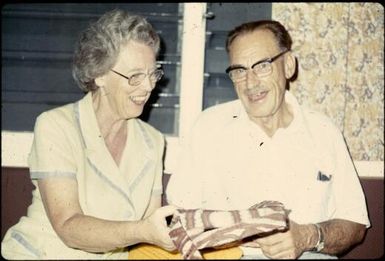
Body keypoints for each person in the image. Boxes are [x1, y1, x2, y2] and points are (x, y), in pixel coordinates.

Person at [166, 20, 370, 259]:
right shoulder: (208, 127)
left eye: (262, 66)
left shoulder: (324, 131)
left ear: (289, 65)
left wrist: (306, 236)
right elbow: (177, 217)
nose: (250, 83)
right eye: (239, 71)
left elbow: (355, 224)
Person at [1, 9, 177, 259]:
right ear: (99, 75)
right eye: (135, 76)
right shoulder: (57, 126)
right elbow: (68, 226)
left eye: (152, 73)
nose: (149, 86)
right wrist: (142, 231)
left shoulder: (153, 141)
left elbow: (151, 227)